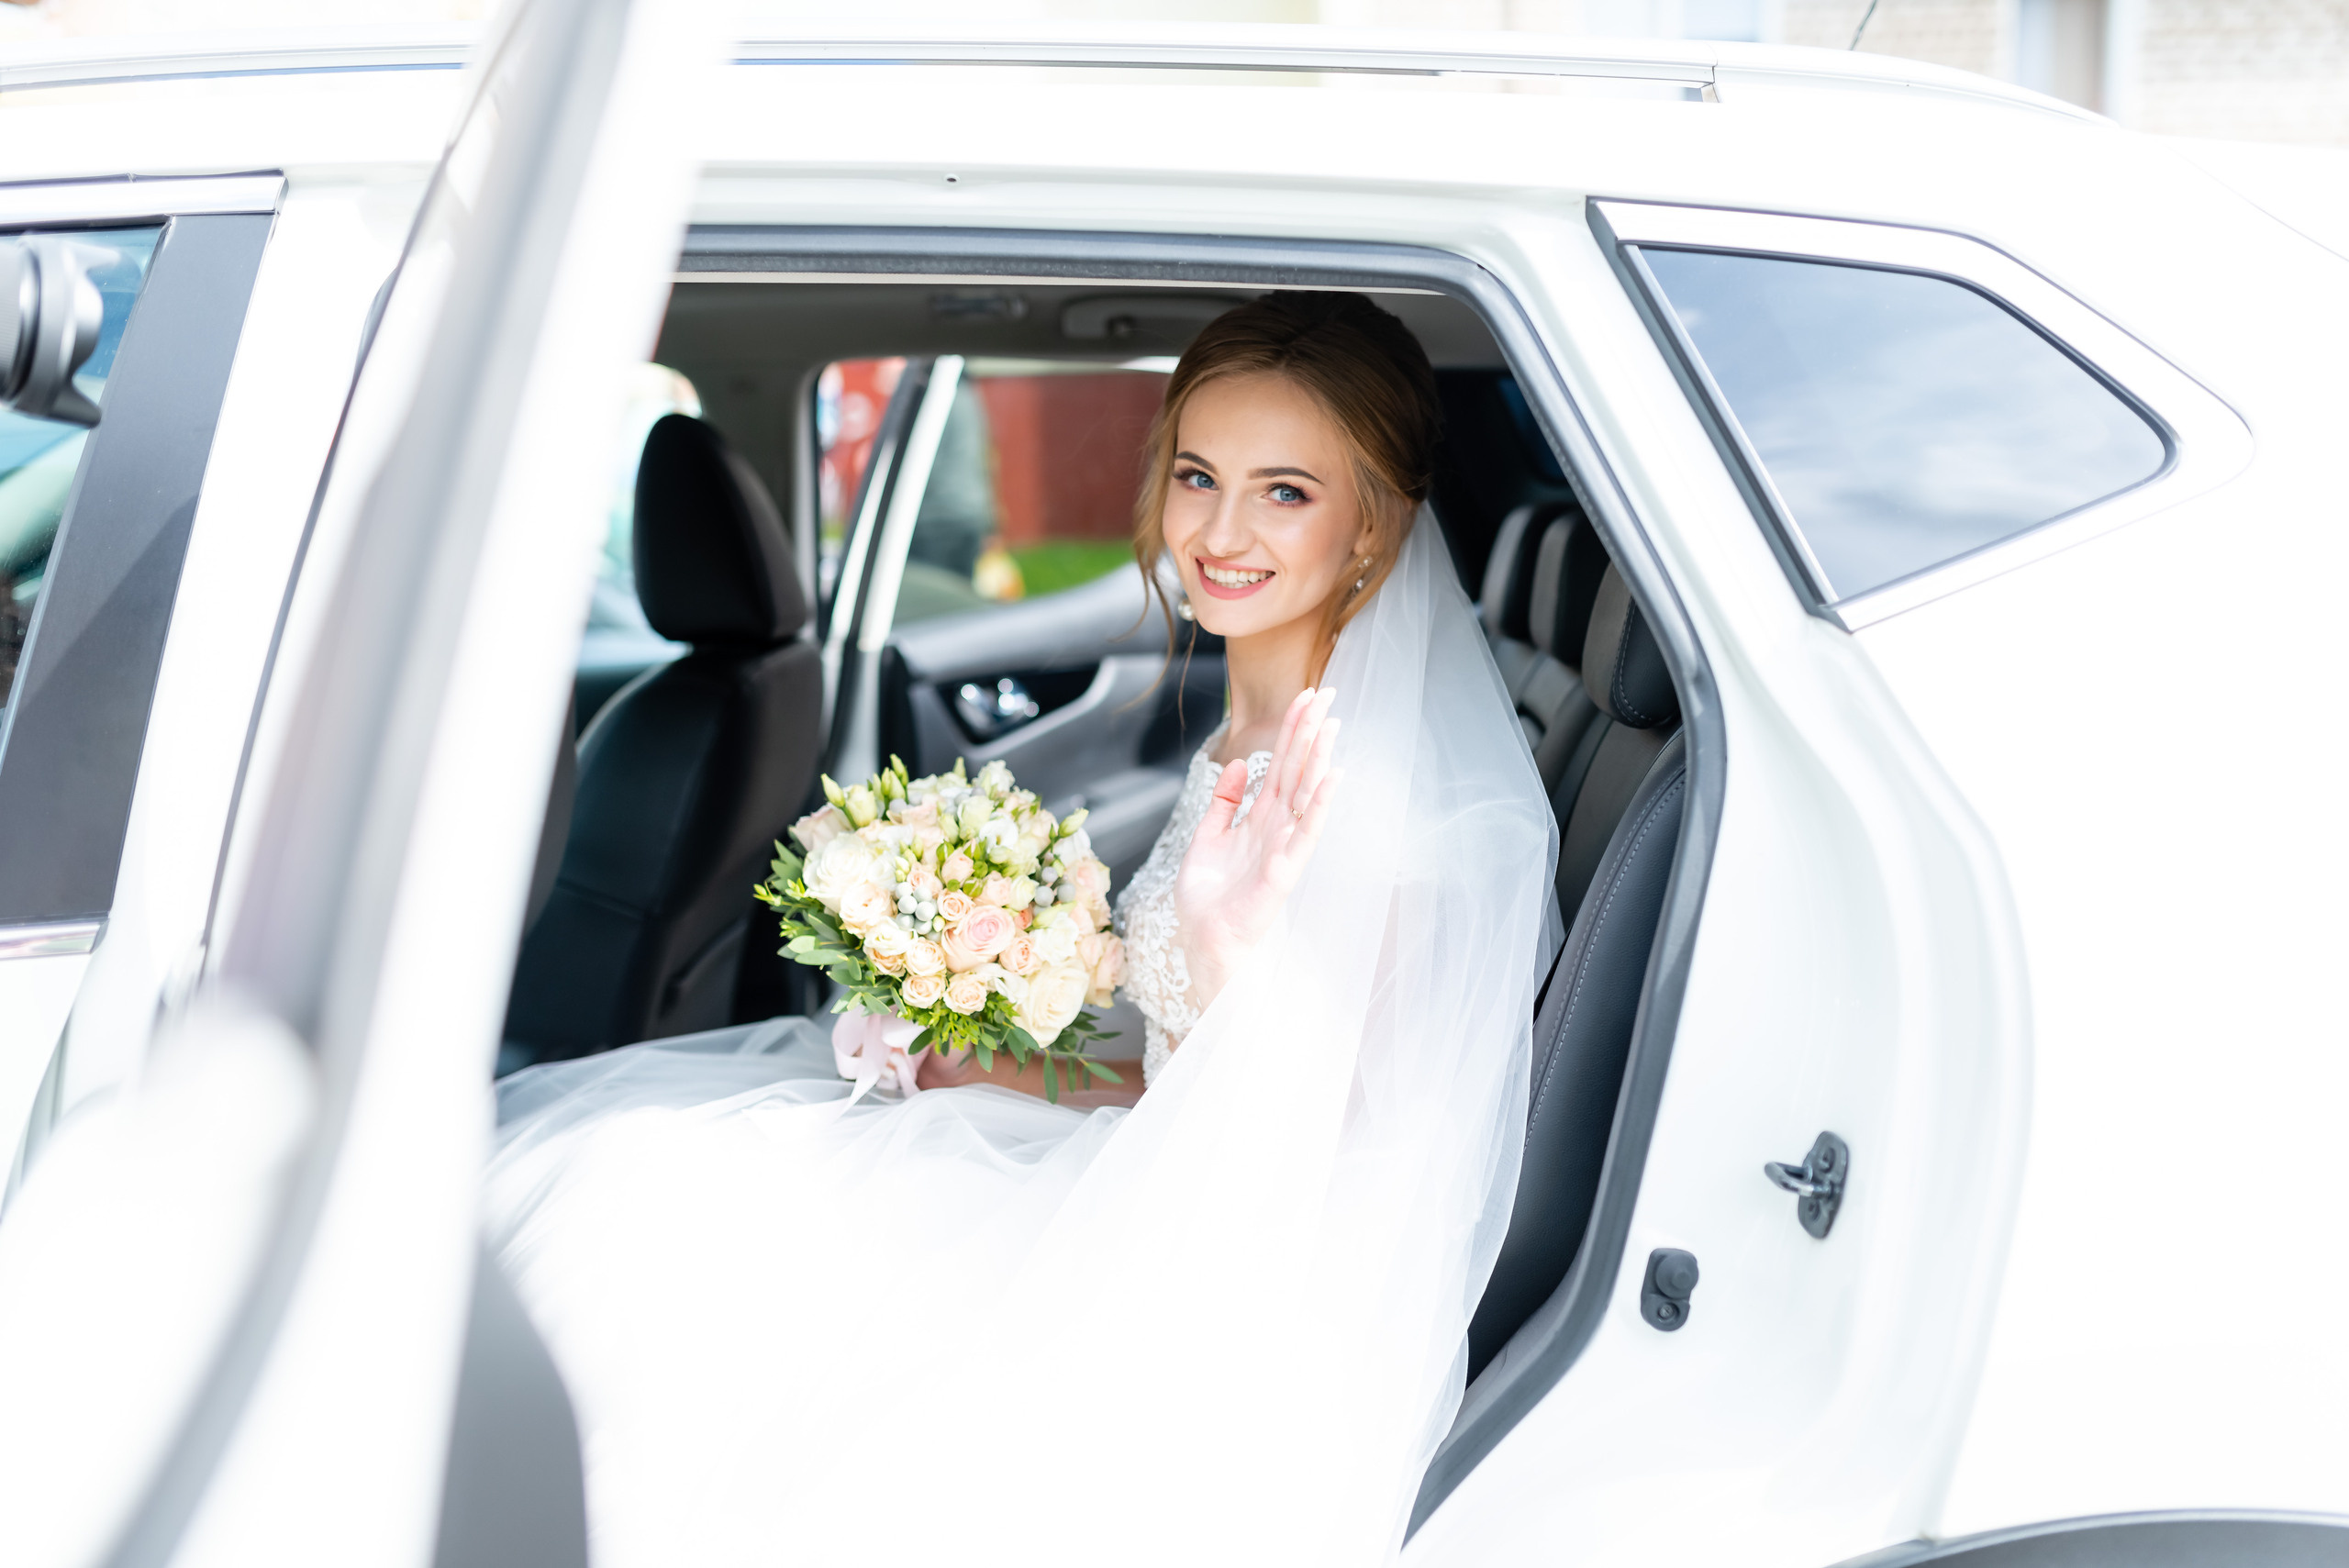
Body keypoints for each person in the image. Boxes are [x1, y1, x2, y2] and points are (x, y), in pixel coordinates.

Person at [484, 293, 1557, 1565]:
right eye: (1200, 475)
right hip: (1135, 1170)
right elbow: (1161, 1074)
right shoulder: (1259, 731)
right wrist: (974, 1052)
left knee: (629, 1230)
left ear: (1372, 527)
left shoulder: (1369, 806)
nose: (1218, 531)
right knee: (621, 1172)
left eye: (1285, 493)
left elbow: (1325, 1185)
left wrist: (1223, 960)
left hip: (1192, 1266)